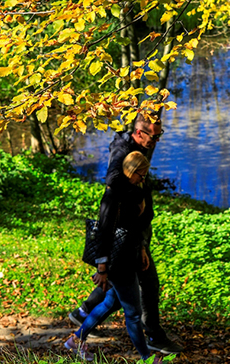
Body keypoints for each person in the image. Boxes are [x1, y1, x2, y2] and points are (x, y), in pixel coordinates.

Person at [68, 112, 183, 354]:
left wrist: (140, 240)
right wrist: (102, 265)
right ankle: (150, 344)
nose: (157, 140)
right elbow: (111, 189)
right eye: (155, 135)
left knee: (114, 298)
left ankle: (82, 321)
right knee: (140, 298)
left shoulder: (138, 154)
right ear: (140, 133)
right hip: (124, 243)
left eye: (160, 134)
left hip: (133, 240)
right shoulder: (122, 155)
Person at [64, 151, 159, 362]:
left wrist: (142, 248)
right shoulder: (113, 195)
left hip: (129, 256)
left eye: (145, 175)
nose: (142, 179)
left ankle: (76, 340)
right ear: (131, 171)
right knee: (134, 314)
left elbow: (136, 227)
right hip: (118, 262)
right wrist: (102, 268)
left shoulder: (135, 191)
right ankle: (147, 358)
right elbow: (104, 232)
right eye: (140, 175)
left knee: (110, 303)